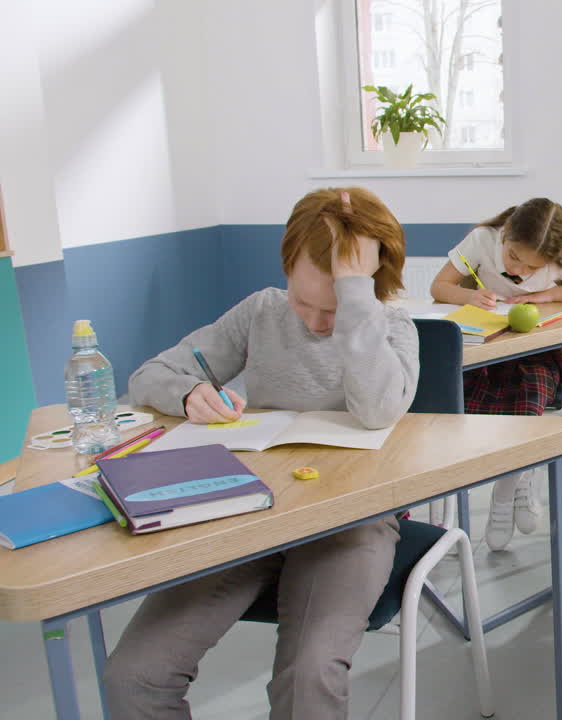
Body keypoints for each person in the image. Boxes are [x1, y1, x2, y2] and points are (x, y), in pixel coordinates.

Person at [104, 187, 418, 720]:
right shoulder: (259, 313)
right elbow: (147, 376)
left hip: (349, 522)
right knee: (133, 676)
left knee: (310, 676)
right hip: (248, 509)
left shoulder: (390, 327)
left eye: (335, 307)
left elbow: (378, 410)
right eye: (303, 302)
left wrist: (357, 301)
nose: (317, 323)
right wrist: (186, 393)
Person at [431, 197, 562, 550]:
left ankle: (504, 494)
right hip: (486, 349)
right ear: (506, 235)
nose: (518, 271)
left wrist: (550, 293)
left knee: (529, 396)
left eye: (532, 267)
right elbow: (439, 287)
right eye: (513, 257)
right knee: (465, 400)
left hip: (540, 354)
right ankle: (522, 472)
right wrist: (469, 297)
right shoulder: (483, 239)